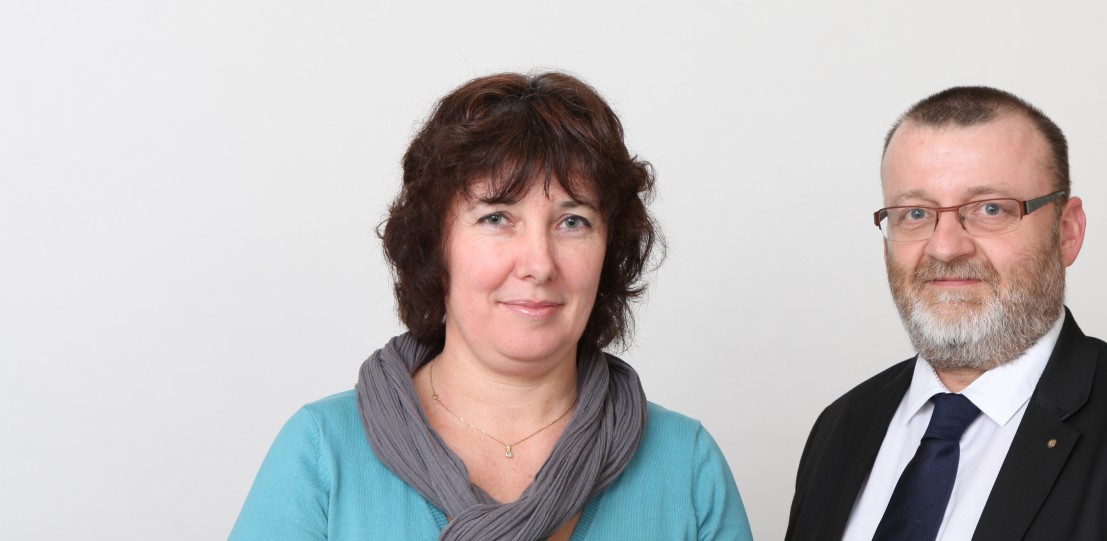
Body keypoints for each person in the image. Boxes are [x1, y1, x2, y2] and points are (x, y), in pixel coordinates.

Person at [231, 72, 753, 541]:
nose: (539, 264)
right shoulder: (322, 452)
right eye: (497, 218)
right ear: (435, 245)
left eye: (573, 221)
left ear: (609, 250)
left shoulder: (686, 466)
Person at [785, 86, 1107, 540]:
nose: (945, 247)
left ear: (1067, 232)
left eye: (990, 209)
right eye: (915, 213)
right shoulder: (842, 427)